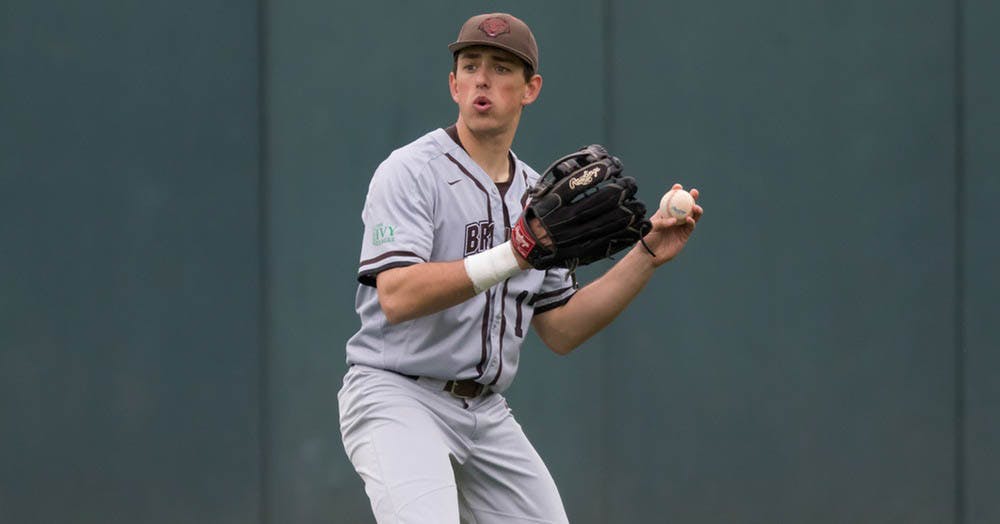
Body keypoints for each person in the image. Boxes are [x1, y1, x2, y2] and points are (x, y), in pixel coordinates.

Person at [338, 12, 703, 523]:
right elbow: (396, 296)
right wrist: (515, 252)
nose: (482, 78)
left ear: (530, 89)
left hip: (484, 412)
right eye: (470, 65)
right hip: (398, 394)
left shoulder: (539, 197)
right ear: (453, 84)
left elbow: (561, 329)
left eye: (501, 67)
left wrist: (647, 256)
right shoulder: (410, 171)